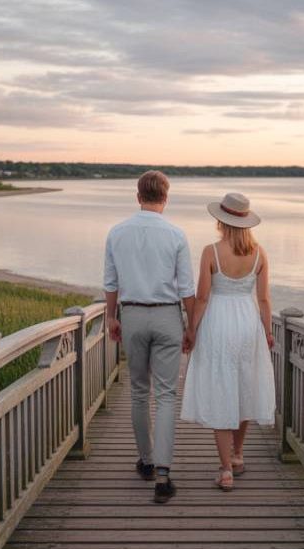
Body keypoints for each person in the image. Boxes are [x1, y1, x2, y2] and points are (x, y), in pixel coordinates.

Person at [103, 170, 196, 504]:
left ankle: (145, 461)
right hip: (168, 315)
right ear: (165, 198)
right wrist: (191, 326)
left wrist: (112, 317)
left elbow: (111, 282)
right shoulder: (176, 235)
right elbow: (187, 289)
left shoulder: (117, 233)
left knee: (139, 392)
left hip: (132, 315)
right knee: (167, 395)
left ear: (138, 196)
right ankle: (163, 476)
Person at [181, 192, 275, 491]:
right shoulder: (259, 253)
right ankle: (237, 454)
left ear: (221, 221)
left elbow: (202, 297)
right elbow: (264, 299)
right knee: (244, 385)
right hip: (247, 322)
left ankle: (225, 470)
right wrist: (268, 332)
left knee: (222, 389)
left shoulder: (211, 252)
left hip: (218, 324)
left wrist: (191, 330)